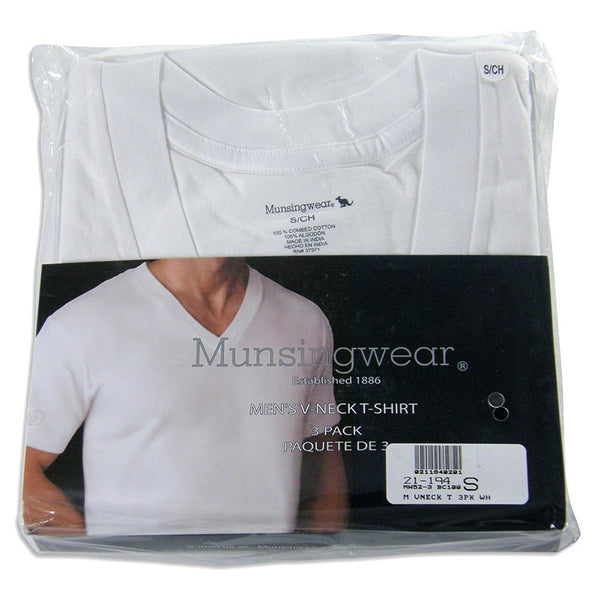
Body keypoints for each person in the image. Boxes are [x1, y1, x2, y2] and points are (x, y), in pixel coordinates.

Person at [22, 258, 347, 536]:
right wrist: (98, 568)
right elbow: (18, 473)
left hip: (270, 577)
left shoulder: (303, 320)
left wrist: (310, 569)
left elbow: (323, 462)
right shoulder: (82, 325)